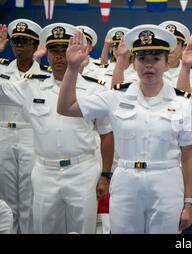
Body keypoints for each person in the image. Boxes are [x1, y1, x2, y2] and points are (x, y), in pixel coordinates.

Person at [57, 25, 192, 233]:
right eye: (142, 59)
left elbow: (188, 156)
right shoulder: (116, 96)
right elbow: (66, 108)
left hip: (167, 180)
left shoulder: (183, 103)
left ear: (166, 63)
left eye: (155, 59)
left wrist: (188, 202)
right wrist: (72, 68)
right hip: (126, 180)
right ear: (133, 63)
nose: (149, 66)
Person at [0, 23, 114, 234]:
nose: (60, 57)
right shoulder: (31, 86)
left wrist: (106, 175)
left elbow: (107, 134)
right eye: (54, 51)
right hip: (45, 172)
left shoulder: (95, 88)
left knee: (83, 230)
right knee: (44, 229)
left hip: (83, 171)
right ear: (46, 53)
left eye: (65, 50)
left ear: (78, 52)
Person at [0, 19, 46, 234]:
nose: (19, 45)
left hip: (30, 133)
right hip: (3, 134)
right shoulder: (1, 68)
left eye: (25, 42)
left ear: (36, 45)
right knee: (5, 196)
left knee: (29, 194)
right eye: (16, 41)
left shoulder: (45, 75)